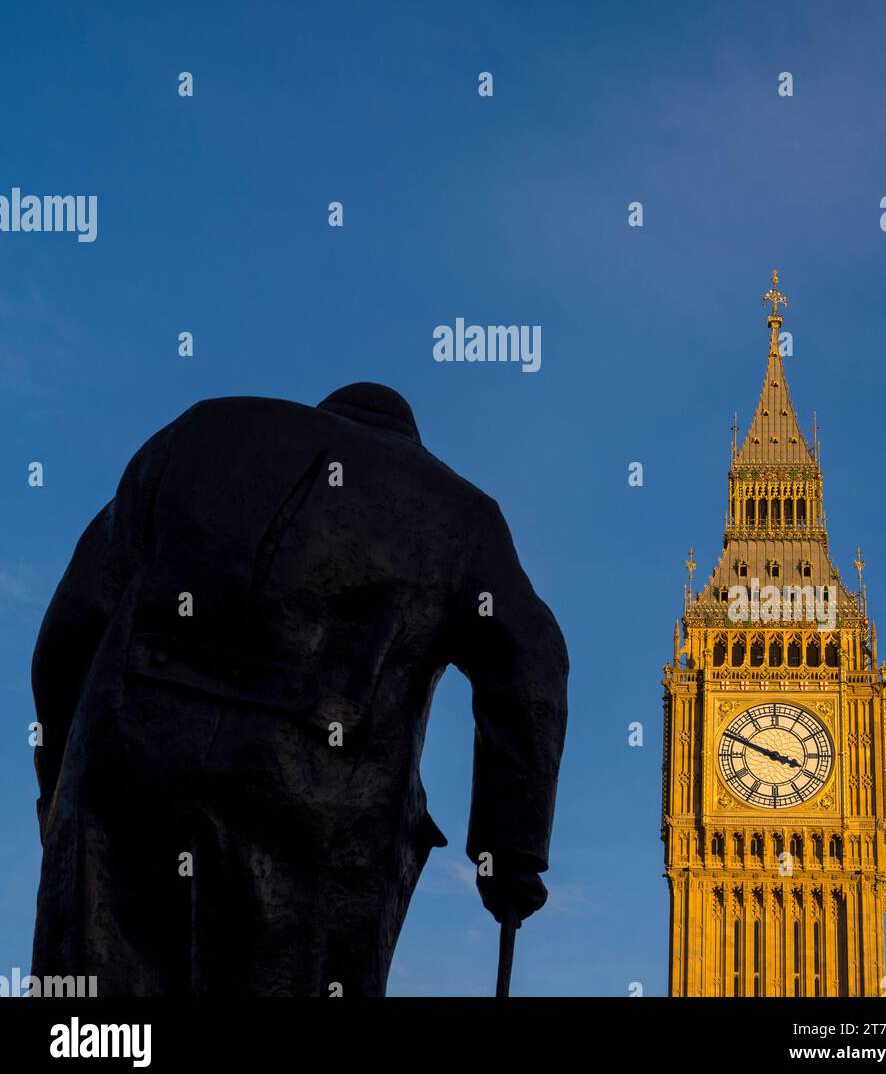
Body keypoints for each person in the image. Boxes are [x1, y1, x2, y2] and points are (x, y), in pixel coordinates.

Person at [31, 382, 569, 996]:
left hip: (125, 770)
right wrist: (509, 852)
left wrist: (56, 785)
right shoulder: (462, 514)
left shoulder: (200, 430)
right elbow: (531, 664)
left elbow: (72, 621)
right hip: (314, 806)